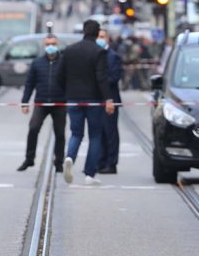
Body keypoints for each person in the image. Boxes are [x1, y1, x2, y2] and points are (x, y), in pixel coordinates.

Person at [57, 19, 115, 186]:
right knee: (95, 135)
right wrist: (108, 99)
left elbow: (60, 76)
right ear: (98, 34)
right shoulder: (99, 52)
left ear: (83, 31)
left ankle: (69, 157)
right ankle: (90, 173)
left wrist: (67, 92)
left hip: (73, 98)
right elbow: (101, 78)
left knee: (76, 133)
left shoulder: (69, 50)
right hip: (93, 101)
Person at [18, 34, 67, 173]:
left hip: (59, 103)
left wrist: (70, 100)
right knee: (33, 128)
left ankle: (59, 162)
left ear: (57, 45)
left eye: (53, 43)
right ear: (44, 46)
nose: (50, 46)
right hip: (41, 102)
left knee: (60, 134)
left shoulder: (64, 62)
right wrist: (25, 102)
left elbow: (70, 82)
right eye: (47, 44)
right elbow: (29, 83)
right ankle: (29, 159)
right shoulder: (37, 63)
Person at [96, 29, 122, 174]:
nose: (100, 39)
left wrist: (99, 83)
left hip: (110, 100)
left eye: (102, 37)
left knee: (110, 132)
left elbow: (114, 77)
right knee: (98, 132)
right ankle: (100, 161)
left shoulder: (113, 57)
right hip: (96, 101)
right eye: (98, 37)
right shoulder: (94, 55)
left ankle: (111, 163)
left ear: (108, 39)